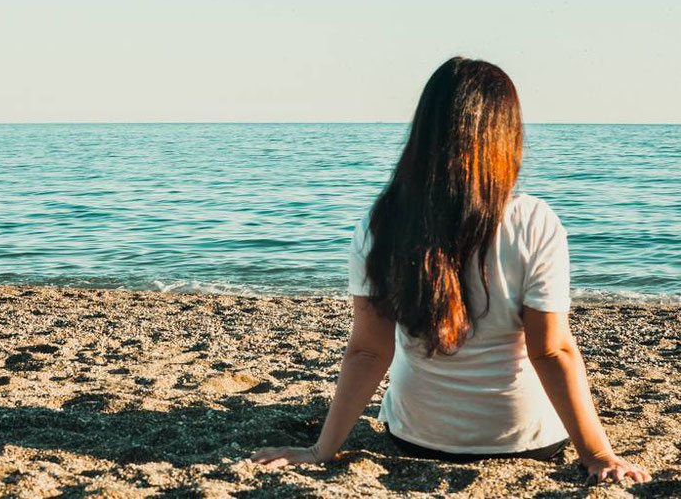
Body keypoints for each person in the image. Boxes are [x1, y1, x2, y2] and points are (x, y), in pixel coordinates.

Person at [251, 57, 651, 485]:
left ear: (424, 131)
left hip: (416, 437)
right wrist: (597, 452)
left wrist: (320, 451)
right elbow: (551, 351)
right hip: (525, 441)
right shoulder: (533, 221)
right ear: (507, 134)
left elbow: (368, 351)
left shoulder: (382, 221)